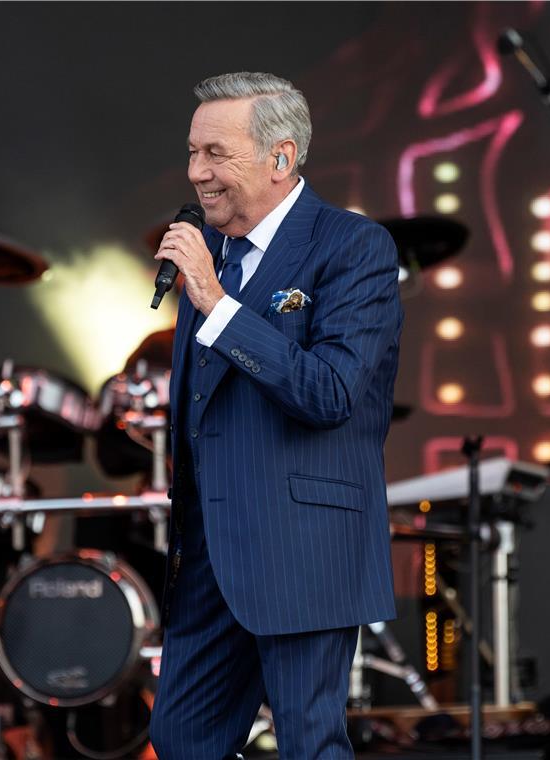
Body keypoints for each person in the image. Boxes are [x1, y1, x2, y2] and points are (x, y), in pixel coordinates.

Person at [148, 72, 403, 759]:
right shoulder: (214, 253)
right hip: (208, 553)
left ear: (281, 158)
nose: (198, 172)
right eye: (194, 152)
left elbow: (330, 394)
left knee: (309, 744)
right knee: (180, 737)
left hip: (303, 546)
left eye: (216, 154)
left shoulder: (354, 247)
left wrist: (216, 303)